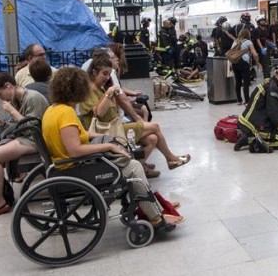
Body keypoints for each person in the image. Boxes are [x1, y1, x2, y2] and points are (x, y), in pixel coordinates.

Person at [42, 67, 184, 227]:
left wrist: (112, 138)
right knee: (134, 167)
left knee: (127, 160)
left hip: (65, 167)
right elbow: (75, 149)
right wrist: (107, 145)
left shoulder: (52, 110)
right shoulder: (66, 113)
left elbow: (82, 135)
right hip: (76, 170)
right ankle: (156, 216)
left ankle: (154, 206)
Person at [80, 56, 191, 177]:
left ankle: (135, 169)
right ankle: (171, 159)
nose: (107, 77)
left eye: (108, 74)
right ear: (94, 72)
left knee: (152, 139)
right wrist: (109, 93)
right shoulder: (89, 90)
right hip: (107, 133)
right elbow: (99, 113)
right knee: (154, 126)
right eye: (104, 74)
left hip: (115, 128)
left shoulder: (100, 88)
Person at [0, 73, 48, 220]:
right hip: (26, 137)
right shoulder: (17, 99)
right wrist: (2, 123)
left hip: (37, 141)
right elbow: (19, 126)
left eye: (0, 94)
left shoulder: (32, 97)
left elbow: (33, 128)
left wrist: (12, 111)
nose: (1, 98)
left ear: (8, 86)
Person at [234, 62, 278, 151]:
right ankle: (251, 140)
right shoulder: (272, 88)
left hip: (254, 118)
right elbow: (274, 113)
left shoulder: (274, 84)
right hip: (252, 125)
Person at [231, 28, 261, 105]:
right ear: (248, 35)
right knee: (246, 82)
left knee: (238, 82)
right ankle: (247, 101)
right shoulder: (248, 42)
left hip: (235, 63)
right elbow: (255, 54)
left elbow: (231, 52)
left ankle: (239, 100)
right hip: (244, 63)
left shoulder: (235, 41)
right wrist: (257, 62)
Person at [253, 15, 272, 79]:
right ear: (259, 22)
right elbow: (257, 40)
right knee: (264, 64)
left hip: (265, 48)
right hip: (259, 49)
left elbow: (265, 39)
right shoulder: (257, 30)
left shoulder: (265, 29)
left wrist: (270, 44)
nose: (264, 21)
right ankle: (266, 77)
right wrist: (262, 48)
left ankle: (267, 77)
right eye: (262, 20)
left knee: (267, 64)